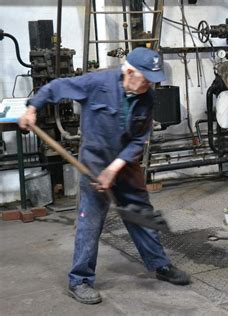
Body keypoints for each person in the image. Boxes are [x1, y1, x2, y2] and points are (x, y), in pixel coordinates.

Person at [19, 47, 190, 305]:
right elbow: (56, 87)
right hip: (95, 164)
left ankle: (160, 264)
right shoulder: (97, 83)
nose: (148, 85)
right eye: (145, 79)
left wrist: (116, 168)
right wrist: (32, 108)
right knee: (91, 221)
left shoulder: (148, 97)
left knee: (141, 214)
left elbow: (139, 140)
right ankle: (80, 280)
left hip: (125, 165)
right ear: (129, 72)